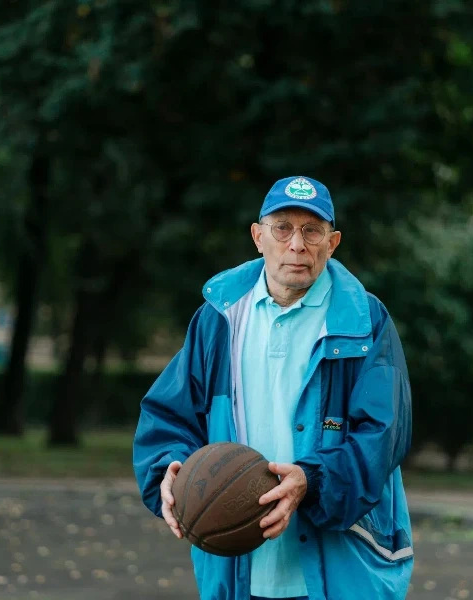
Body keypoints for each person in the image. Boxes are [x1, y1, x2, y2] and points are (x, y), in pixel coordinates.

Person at [132, 176, 414, 600]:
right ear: (258, 236)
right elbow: (169, 415)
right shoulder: (219, 319)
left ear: (332, 242)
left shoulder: (365, 321)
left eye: (312, 230)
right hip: (238, 571)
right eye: (282, 227)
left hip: (341, 569)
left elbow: (384, 434)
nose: (296, 244)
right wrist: (169, 469)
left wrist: (312, 480)